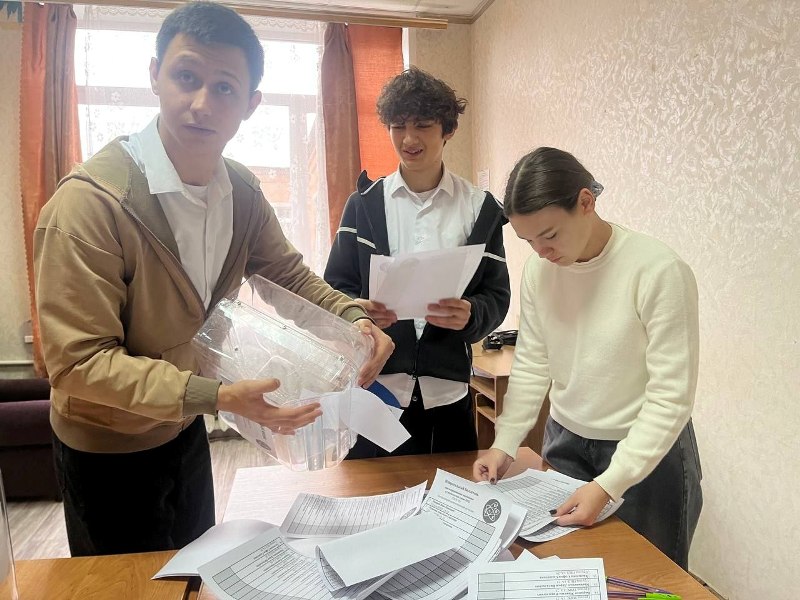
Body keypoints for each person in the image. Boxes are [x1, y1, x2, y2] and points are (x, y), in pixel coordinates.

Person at [33, 1, 393, 557]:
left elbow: (287, 274)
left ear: (250, 104)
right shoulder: (90, 205)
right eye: (186, 77)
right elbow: (77, 363)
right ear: (155, 75)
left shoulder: (241, 194)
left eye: (224, 87)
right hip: (105, 447)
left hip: (184, 427)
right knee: (130, 588)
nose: (201, 103)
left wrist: (353, 320)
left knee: (194, 568)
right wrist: (217, 396)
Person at [472, 147, 702, 569]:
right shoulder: (540, 272)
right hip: (565, 442)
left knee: (648, 579)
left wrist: (610, 484)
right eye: (528, 241)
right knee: (567, 572)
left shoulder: (657, 271)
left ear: (585, 202)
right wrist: (504, 443)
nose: (541, 251)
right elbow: (533, 363)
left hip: (645, 454)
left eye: (550, 235)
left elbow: (671, 397)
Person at [324, 67, 510, 457]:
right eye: (398, 126)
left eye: (423, 125)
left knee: (452, 493)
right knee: (373, 492)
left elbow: (496, 294)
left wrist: (472, 314)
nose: (409, 139)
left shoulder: (481, 209)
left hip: (449, 396)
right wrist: (358, 312)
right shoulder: (363, 206)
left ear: (448, 129)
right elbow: (334, 287)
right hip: (376, 391)